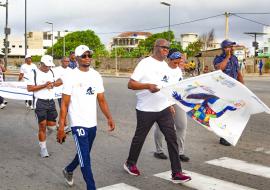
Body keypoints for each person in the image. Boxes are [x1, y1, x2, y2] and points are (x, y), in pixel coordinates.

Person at [123, 39, 191, 183]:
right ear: (155, 48)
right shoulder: (145, 63)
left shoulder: (166, 66)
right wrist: (148, 86)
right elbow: (131, 84)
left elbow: (166, 87)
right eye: (163, 47)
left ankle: (176, 173)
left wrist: (170, 104)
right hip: (146, 109)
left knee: (172, 139)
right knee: (139, 138)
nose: (166, 50)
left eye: (168, 48)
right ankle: (130, 163)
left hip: (163, 108)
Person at [57, 45, 115, 190]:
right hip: (78, 123)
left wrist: (109, 117)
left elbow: (101, 99)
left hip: (92, 123)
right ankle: (91, 187)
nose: (87, 58)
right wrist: (61, 127)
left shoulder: (96, 75)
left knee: (84, 154)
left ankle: (69, 170)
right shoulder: (70, 76)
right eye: (84, 56)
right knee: (86, 160)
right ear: (76, 58)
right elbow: (64, 104)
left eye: (89, 55)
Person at [153, 48, 190, 162]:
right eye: (175, 62)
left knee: (182, 125)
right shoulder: (162, 70)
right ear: (169, 59)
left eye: (179, 62)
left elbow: (179, 86)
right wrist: (169, 105)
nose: (178, 64)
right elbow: (161, 89)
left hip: (177, 100)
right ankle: (159, 151)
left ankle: (180, 152)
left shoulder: (178, 70)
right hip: (163, 100)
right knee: (161, 126)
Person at [27, 55, 62, 157]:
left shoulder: (52, 71)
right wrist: (44, 85)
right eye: (46, 66)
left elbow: (61, 81)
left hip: (51, 102)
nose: (48, 68)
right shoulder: (33, 73)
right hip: (40, 103)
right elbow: (29, 88)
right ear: (41, 64)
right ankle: (43, 148)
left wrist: (53, 84)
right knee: (42, 125)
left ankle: (42, 134)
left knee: (52, 128)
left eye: (50, 66)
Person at [213, 39, 244, 146]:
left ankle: (228, 134)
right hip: (223, 92)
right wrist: (227, 57)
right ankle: (223, 137)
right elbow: (220, 69)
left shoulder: (235, 59)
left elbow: (239, 73)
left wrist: (243, 88)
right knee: (224, 114)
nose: (232, 49)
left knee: (232, 113)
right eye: (230, 47)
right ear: (224, 49)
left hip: (234, 90)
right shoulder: (218, 59)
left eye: (232, 47)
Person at [52, 56, 71, 133]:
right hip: (59, 93)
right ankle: (63, 125)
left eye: (68, 61)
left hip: (68, 92)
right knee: (64, 109)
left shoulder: (71, 70)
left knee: (66, 110)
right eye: (65, 61)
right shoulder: (56, 70)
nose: (67, 63)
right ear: (61, 62)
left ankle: (61, 124)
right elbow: (54, 80)